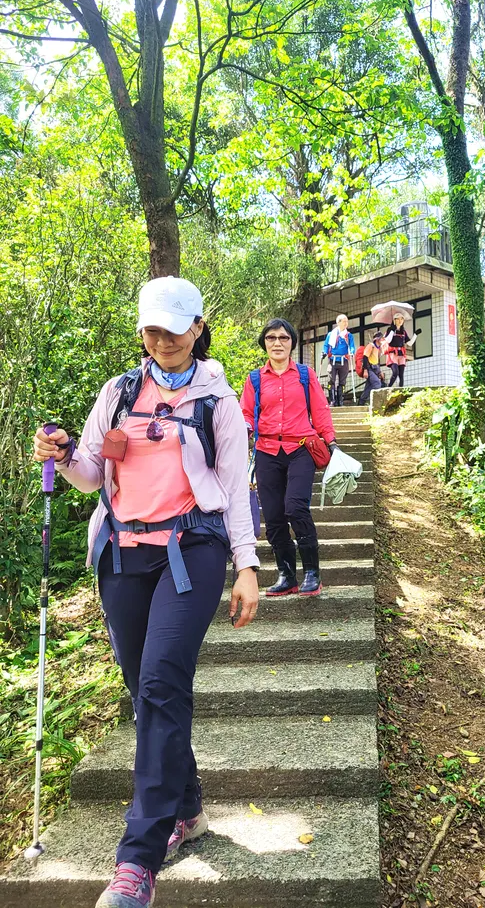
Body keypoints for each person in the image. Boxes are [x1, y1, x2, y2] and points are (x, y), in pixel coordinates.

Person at [32, 277, 260, 908]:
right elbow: (89, 474)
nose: (161, 340)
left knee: (160, 682)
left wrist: (246, 565)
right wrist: (61, 454)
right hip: (122, 552)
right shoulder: (119, 393)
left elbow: (235, 489)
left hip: (193, 550)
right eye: (151, 329)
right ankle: (187, 807)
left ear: (198, 328)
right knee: (143, 688)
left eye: (173, 329)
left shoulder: (219, 402)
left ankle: (138, 860)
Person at [241, 318, 337, 597]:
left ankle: (312, 573)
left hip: (301, 449)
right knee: (273, 515)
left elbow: (320, 410)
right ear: (264, 343)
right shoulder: (255, 379)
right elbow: (246, 412)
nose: (277, 343)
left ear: (292, 343)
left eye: (283, 338)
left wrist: (331, 441)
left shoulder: (305, 375)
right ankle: (286, 575)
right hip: (266, 451)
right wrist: (243, 431)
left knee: (295, 507)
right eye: (271, 338)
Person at [322, 313, 355, 406]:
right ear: (338, 322)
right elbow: (326, 345)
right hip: (332, 360)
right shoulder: (331, 334)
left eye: (347, 321)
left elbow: (352, 346)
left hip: (344, 360)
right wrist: (324, 352)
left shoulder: (348, 335)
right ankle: (332, 400)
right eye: (344, 321)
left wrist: (352, 352)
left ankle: (340, 401)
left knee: (342, 381)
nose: (346, 323)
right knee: (331, 380)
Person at [384, 312, 419, 388]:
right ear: (394, 320)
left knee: (401, 374)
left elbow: (409, 343)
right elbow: (388, 340)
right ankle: (388, 387)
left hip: (401, 354)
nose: (400, 321)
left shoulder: (403, 331)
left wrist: (415, 335)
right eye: (398, 319)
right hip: (393, 354)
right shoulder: (390, 329)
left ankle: (401, 389)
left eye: (402, 319)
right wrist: (392, 331)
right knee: (395, 372)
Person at [359, 330, 386, 405]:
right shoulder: (371, 346)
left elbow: (377, 361)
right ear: (377, 339)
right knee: (377, 384)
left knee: (368, 388)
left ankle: (361, 403)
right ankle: (375, 403)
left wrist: (380, 372)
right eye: (381, 338)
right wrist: (365, 370)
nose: (382, 340)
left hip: (375, 369)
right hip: (369, 368)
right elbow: (365, 357)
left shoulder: (379, 348)